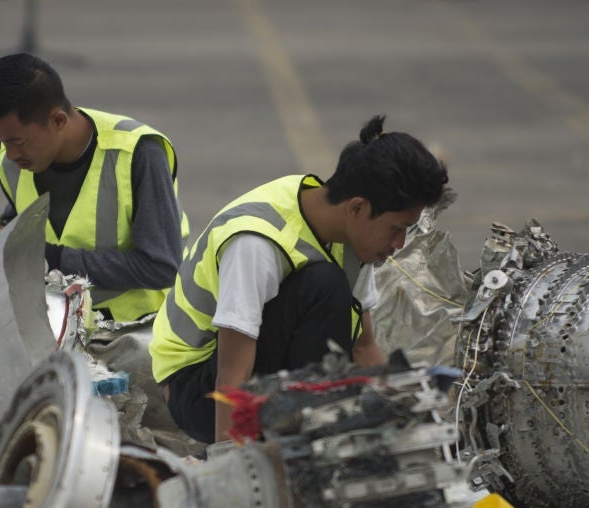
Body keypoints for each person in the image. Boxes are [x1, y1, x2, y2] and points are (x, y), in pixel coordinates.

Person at [149, 115, 449, 445]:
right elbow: (233, 373)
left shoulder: (350, 236)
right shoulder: (256, 243)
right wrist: (232, 470)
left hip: (252, 373)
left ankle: (315, 430)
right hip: (197, 390)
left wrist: (412, 422)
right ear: (358, 207)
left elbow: (363, 346)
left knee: (328, 292)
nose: (400, 244)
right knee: (323, 285)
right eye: (397, 228)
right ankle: (307, 440)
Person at [0, 52, 189, 324]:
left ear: (58, 121)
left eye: (18, 141)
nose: (9, 154)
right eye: (0, 140)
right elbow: (34, 218)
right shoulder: (14, 161)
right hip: (58, 325)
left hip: (141, 330)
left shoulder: (138, 153)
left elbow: (160, 266)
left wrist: (47, 258)